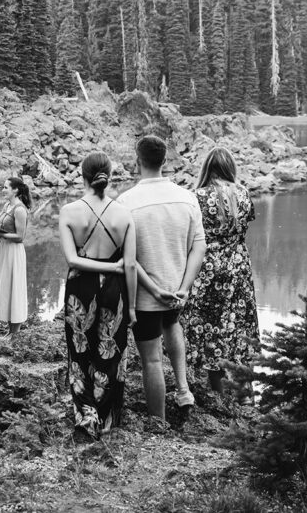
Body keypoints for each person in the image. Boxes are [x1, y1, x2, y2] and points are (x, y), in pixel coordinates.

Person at [118, 135, 207, 422]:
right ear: (165, 161)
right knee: (173, 323)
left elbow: (128, 258)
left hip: (145, 295)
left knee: (152, 358)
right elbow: (199, 246)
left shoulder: (126, 202)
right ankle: (183, 390)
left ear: (137, 160)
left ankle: (159, 420)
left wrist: (155, 290)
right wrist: (183, 287)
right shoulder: (186, 197)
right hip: (177, 289)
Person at [58, 152, 137, 438]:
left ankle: (86, 416)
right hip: (115, 289)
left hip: (80, 288)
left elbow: (72, 260)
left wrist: (101, 266)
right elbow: (129, 265)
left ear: (82, 176)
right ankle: (106, 420)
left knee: (80, 352)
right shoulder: (124, 213)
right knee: (111, 352)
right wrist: (133, 309)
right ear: (109, 176)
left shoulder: (68, 211)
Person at [182, 147, 260, 396]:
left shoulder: (197, 197)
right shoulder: (245, 194)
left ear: (207, 168)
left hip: (208, 269)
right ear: (230, 169)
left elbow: (191, 236)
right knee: (240, 326)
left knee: (210, 328)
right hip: (238, 267)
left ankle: (217, 393)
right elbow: (245, 226)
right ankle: (245, 394)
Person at [0, 176, 31, 339]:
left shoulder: (20, 210)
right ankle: (9, 329)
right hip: (4, 249)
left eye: (6, 187)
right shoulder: (8, 205)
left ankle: (15, 332)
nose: (3, 190)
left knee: (14, 286)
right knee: (5, 285)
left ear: (15, 190)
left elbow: (21, 237)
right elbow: (0, 218)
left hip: (14, 251)